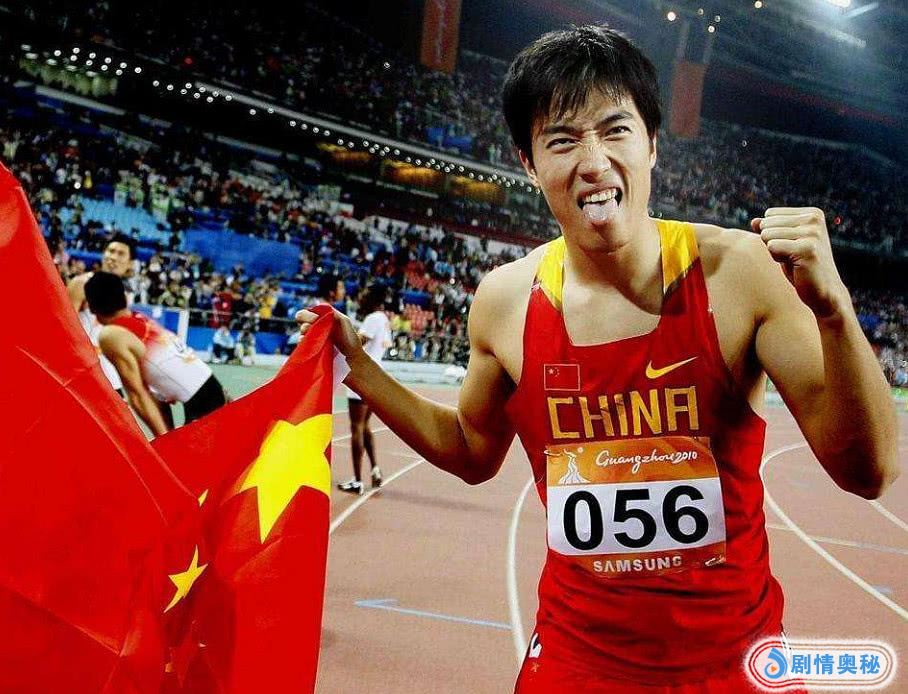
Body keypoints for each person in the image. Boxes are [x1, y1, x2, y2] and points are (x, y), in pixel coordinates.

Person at [296, 25, 898, 693]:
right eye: (561, 140)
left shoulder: (739, 273)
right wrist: (359, 366)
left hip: (734, 665)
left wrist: (835, 310)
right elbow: (471, 450)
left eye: (615, 130)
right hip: (574, 663)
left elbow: (868, 472)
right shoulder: (505, 301)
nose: (593, 161)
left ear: (652, 143)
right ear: (529, 163)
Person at [85, 271, 228, 437]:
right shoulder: (140, 318)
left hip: (204, 404)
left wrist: (165, 441)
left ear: (91, 307)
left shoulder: (111, 334)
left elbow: (138, 395)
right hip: (212, 392)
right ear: (124, 297)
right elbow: (155, 392)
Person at [337, 285, 392, 495]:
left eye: (363, 296)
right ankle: (375, 469)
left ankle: (357, 480)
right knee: (365, 425)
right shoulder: (384, 319)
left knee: (356, 427)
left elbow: (356, 343)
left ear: (371, 298)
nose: (360, 300)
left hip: (363, 376)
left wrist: (336, 338)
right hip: (376, 375)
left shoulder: (372, 318)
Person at [66, 234, 136, 394]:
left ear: (130, 263)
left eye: (120, 254)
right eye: (111, 251)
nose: (113, 257)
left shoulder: (127, 293)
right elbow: (64, 328)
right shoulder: (81, 284)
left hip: (112, 377)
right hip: (82, 373)